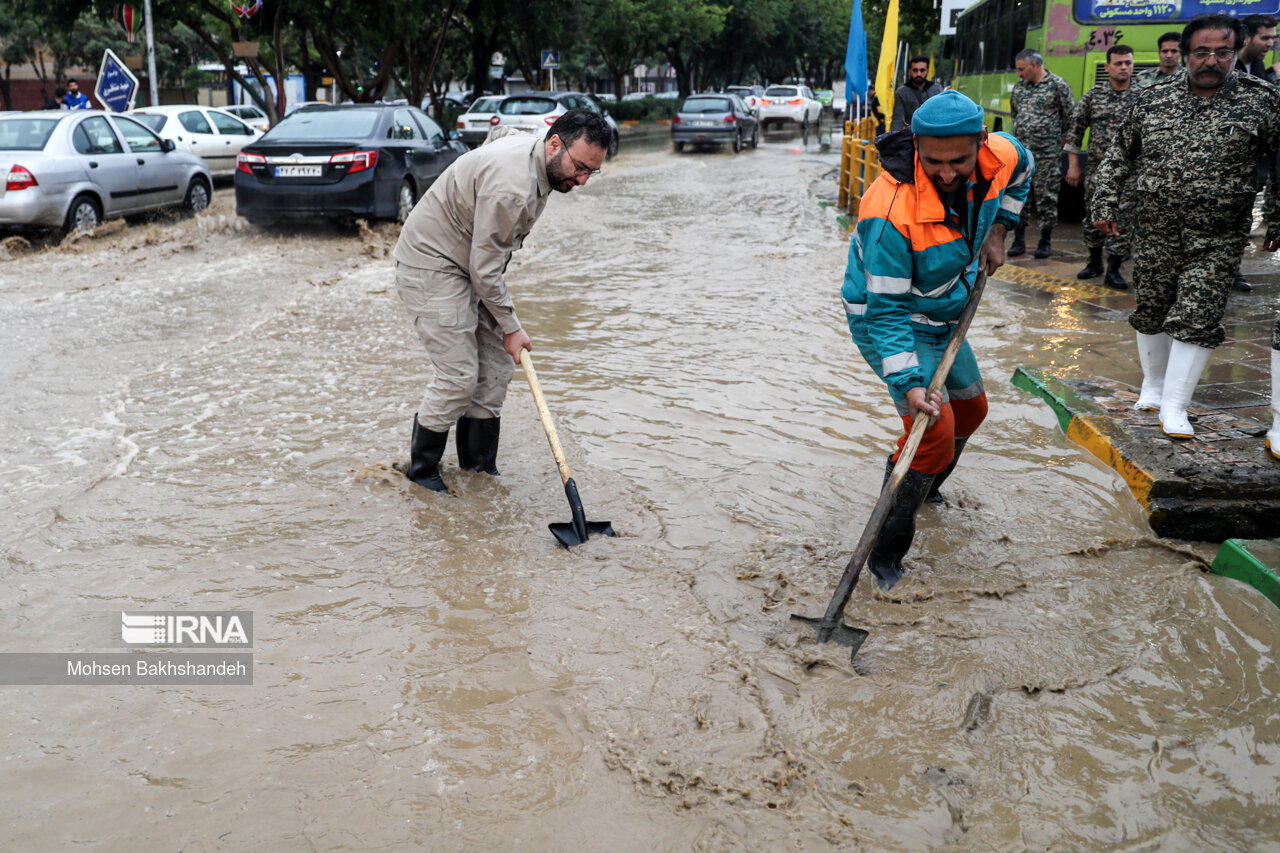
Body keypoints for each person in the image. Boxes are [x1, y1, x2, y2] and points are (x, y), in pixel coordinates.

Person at [841, 90, 1033, 589]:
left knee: (970, 412)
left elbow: (1026, 166)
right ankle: (886, 557)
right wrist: (907, 383)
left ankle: (924, 489)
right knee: (930, 432)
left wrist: (1000, 230)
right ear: (916, 147)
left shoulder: (1000, 155)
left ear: (980, 144)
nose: (947, 173)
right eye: (933, 162)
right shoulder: (888, 212)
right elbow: (885, 315)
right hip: (895, 318)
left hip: (945, 308)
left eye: (959, 161)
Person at [392, 110, 611, 492]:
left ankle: (477, 471)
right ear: (554, 144)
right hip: (432, 263)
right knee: (459, 375)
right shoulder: (512, 189)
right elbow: (486, 270)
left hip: (468, 262)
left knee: (495, 368)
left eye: (591, 172)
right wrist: (512, 328)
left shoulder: (534, 150)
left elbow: (499, 133)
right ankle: (422, 473)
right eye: (579, 168)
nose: (581, 180)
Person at [1092, 14, 1280, 440]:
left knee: (1198, 314)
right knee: (1153, 309)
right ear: (1185, 53)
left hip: (1219, 234)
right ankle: (1154, 387)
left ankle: (1177, 406)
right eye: (1201, 52)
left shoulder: (1262, 100)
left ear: (1237, 51)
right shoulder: (1152, 98)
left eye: (1222, 52)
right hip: (1156, 228)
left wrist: (1275, 216)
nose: (1211, 60)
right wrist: (1104, 201)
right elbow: (1119, 155)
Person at [1065, 44, 1138, 290]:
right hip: (1098, 169)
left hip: (1130, 171)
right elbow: (1075, 132)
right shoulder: (1093, 96)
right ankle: (1094, 261)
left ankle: (1114, 269)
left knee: (1124, 219)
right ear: (1107, 67)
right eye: (1118, 63)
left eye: (1128, 63)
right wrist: (1073, 166)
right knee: (1094, 217)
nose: (1124, 67)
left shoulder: (1141, 97)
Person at [1009, 49, 1074, 259]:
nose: (1018, 74)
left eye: (1021, 69)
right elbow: (1015, 114)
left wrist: (1049, 135)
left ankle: (1045, 240)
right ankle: (1019, 240)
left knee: (1046, 197)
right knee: (1021, 196)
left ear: (1034, 65)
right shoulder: (1019, 89)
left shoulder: (1058, 85)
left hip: (1047, 154)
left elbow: (1069, 117)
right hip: (1022, 154)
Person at [1231, 14, 1278, 293]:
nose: (1271, 43)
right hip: (1220, 161)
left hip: (1250, 164)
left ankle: (1232, 269)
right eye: (1265, 37)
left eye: (1273, 37)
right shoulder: (1226, 67)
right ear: (1246, 37)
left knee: (1241, 218)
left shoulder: (1260, 69)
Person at [890, 56, 943, 132]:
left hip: (934, 132)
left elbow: (942, 113)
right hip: (911, 133)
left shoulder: (937, 89)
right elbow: (898, 118)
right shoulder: (901, 92)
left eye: (922, 70)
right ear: (910, 71)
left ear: (927, 71)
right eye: (915, 70)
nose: (919, 74)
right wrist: (895, 138)